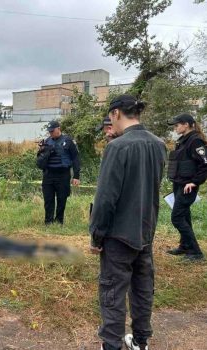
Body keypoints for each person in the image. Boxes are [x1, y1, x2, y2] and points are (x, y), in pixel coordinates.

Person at [89, 95, 167, 350]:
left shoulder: (117, 147)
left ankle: (111, 345)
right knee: (143, 288)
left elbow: (105, 199)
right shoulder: (159, 144)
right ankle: (141, 341)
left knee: (112, 290)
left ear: (116, 113)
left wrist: (97, 236)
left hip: (118, 235)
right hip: (145, 231)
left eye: (111, 117)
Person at [166, 113, 207, 261]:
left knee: (176, 218)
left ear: (187, 124)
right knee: (184, 216)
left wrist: (194, 182)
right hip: (179, 184)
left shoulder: (195, 141)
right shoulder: (183, 141)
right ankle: (185, 246)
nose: (175, 128)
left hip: (187, 186)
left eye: (177, 125)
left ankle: (196, 252)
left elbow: (205, 164)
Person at [36, 120, 80, 225]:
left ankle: (59, 221)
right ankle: (48, 222)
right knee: (48, 199)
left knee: (62, 198)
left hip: (63, 174)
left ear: (58, 129)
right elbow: (40, 159)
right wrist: (42, 150)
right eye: (49, 131)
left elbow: (75, 158)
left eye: (52, 131)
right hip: (48, 174)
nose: (51, 133)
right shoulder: (46, 141)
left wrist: (76, 176)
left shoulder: (68, 141)